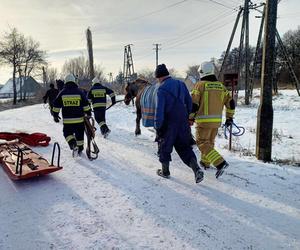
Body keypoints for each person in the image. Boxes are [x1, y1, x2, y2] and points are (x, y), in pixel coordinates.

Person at [154, 64, 204, 183]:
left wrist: (158, 126)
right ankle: (197, 170)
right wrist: (185, 117)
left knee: (164, 148)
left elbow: (159, 111)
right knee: (185, 148)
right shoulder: (181, 84)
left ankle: (165, 172)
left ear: (159, 77)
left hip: (168, 124)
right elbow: (189, 103)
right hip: (183, 123)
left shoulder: (161, 89)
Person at [190, 61, 235, 178]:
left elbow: (193, 104)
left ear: (202, 72)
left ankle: (220, 163)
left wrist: (190, 117)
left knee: (201, 143)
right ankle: (205, 162)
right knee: (209, 142)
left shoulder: (200, 85)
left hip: (203, 122)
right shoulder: (222, 87)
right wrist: (229, 118)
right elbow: (231, 103)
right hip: (216, 122)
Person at [52, 74, 91, 156]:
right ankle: (80, 149)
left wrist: (55, 115)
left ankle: (73, 144)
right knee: (79, 134)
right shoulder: (79, 92)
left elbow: (56, 105)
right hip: (79, 120)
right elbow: (86, 104)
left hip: (67, 121)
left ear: (65, 82)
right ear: (74, 81)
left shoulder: (62, 92)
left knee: (67, 133)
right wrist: (88, 113)